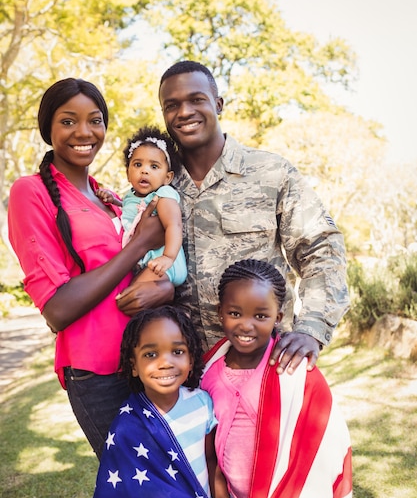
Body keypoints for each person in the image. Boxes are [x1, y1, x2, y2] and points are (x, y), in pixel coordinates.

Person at [148, 59, 350, 374]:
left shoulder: (271, 173)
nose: (184, 111)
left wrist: (312, 327)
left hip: (266, 366)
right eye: (171, 105)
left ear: (218, 104)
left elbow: (320, 249)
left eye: (196, 100)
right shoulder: (155, 188)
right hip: (181, 375)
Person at [7, 78, 172, 459]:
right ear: (47, 128)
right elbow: (57, 309)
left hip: (146, 358)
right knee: (141, 488)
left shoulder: (111, 198)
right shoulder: (31, 192)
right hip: (97, 371)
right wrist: (139, 245)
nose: (84, 132)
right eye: (68, 121)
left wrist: (161, 288)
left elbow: (135, 277)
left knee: (172, 485)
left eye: (94, 120)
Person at [201, 259, 355, 498]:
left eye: (261, 316)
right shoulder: (208, 372)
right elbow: (210, 455)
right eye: (235, 313)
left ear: (278, 317)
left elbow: (321, 448)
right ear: (220, 314)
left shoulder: (292, 373)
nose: (246, 325)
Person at [87, 305, 259, 498]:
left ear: (190, 359)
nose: (165, 363)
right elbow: (129, 496)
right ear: (133, 365)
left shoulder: (202, 403)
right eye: (150, 355)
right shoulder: (127, 427)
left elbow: (212, 464)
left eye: (177, 351)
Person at [96, 125, 187, 288]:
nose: (144, 171)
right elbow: (132, 210)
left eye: (154, 166)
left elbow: (174, 225)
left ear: (167, 177)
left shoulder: (163, 195)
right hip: (147, 262)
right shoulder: (131, 195)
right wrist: (114, 201)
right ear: (127, 173)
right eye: (138, 165)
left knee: (129, 296)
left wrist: (168, 257)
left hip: (165, 264)